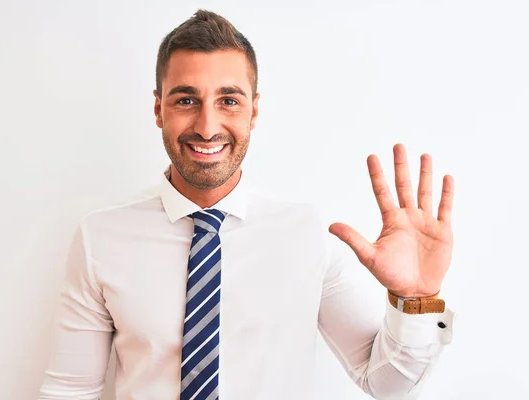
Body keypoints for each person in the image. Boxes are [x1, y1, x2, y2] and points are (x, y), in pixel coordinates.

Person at [38, 9, 455, 400]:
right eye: (186, 100)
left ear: (254, 111)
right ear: (158, 108)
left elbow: (384, 381)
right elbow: (70, 391)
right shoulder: (101, 237)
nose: (207, 126)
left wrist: (416, 299)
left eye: (229, 100)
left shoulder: (310, 234)